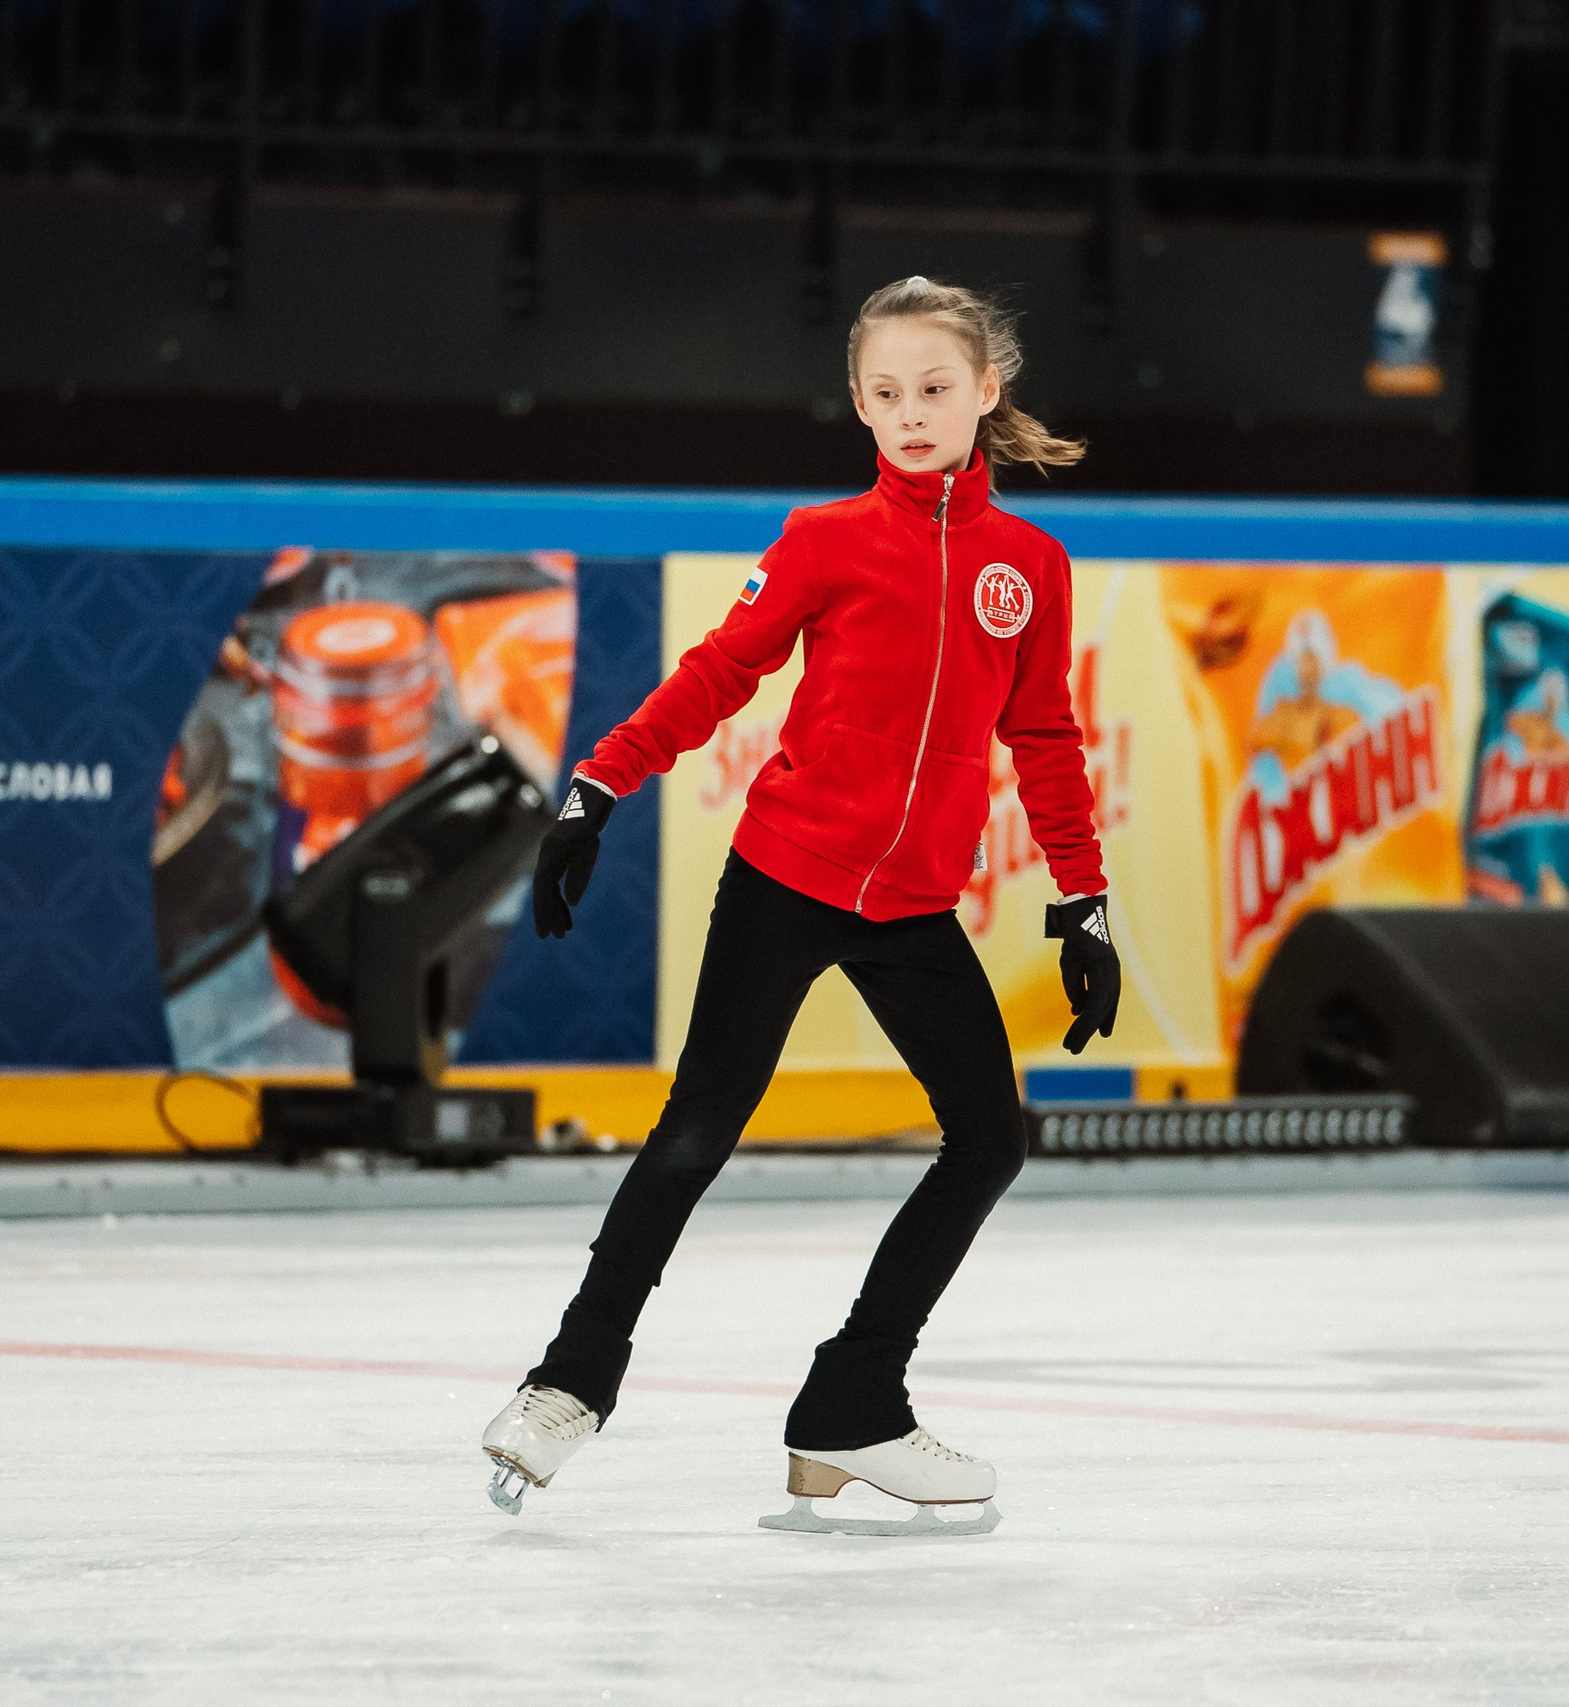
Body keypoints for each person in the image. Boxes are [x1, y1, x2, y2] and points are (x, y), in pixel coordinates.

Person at [479, 276, 1122, 1536]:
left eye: (935, 389)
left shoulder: (1029, 567)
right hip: (786, 873)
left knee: (989, 1141)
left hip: (912, 907)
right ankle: (567, 1383)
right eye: (884, 394)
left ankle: (852, 1401)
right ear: (857, 404)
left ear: (987, 391)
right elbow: (722, 670)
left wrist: (1083, 900)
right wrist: (597, 786)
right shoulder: (826, 538)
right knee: (696, 1130)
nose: (911, 413)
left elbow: (1043, 736)